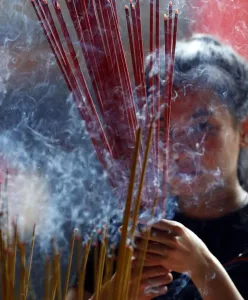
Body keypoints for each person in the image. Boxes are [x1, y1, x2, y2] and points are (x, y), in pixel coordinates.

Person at [66, 34, 248, 299]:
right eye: (164, 129)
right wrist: (114, 293)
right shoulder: (126, 230)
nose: (181, 149)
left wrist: (202, 266)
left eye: (202, 127)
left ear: (243, 131)